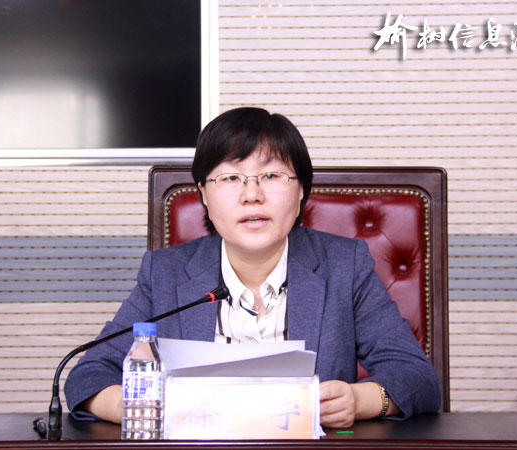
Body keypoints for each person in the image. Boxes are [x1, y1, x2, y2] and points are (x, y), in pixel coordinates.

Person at [64, 107, 441, 428]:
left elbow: (418, 379)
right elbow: (88, 377)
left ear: (300, 192)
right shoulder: (166, 273)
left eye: (272, 176)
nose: (252, 195)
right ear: (204, 195)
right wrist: (144, 407)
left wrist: (359, 401)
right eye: (230, 178)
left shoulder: (344, 266)